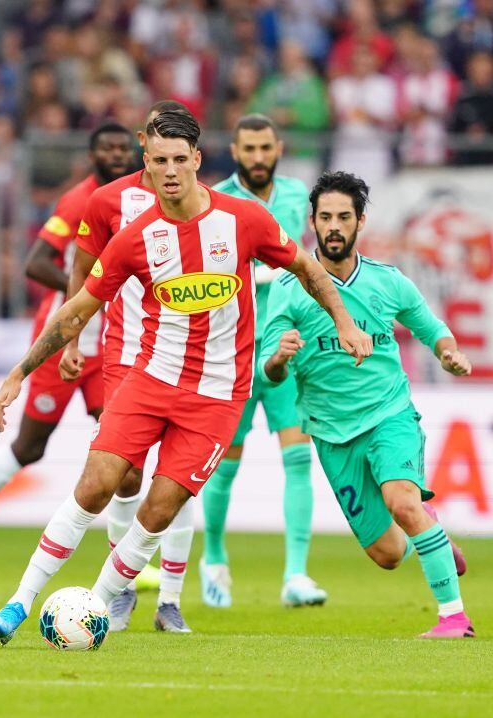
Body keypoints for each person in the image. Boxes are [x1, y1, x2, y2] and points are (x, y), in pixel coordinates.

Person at [0, 111, 371, 646]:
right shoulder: (135, 238)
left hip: (216, 397)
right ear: (147, 161)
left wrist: (344, 322)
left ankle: (94, 606)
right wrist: (21, 371)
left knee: (160, 508)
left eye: (179, 161)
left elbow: (307, 267)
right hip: (149, 380)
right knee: (96, 485)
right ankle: (18, 603)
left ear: (197, 161)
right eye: (159, 161)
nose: (169, 171)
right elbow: (77, 311)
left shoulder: (244, 220)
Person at [259, 171, 472, 639]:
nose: (334, 226)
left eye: (344, 217)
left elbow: (430, 327)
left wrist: (448, 352)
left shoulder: (387, 281)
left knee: (401, 500)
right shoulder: (288, 288)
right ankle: (429, 528)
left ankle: (454, 618)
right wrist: (278, 358)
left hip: (388, 414)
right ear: (311, 222)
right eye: (325, 217)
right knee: (389, 554)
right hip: (332, 434)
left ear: (360, 222)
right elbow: (266, 370)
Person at [0, 122, 137, 584]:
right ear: (92, 154)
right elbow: (36, 261)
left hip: (111, 341)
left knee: (123, 447)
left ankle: (126, 561)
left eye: (125, 148)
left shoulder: (138, 199)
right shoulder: (81, 200)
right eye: (108, 148)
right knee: (30, 445)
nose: (118, 155)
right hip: (62, 334)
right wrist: (88, 292)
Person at [61, 100, 194, 633]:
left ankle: (171, 599)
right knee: (124, 475)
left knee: (177, 478)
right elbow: (82, 267)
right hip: (125, 354)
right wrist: (74, 338)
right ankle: (119, 593)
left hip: (191, 356)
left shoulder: (205, 202)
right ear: (144, 142)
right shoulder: (108, 201)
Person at [199, 114, 325, 609]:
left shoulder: (299, 197)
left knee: (298, 456)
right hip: (233, 350)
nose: (256, 157)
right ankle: (213, 561)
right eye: (248, 148)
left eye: (264, 148)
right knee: (224, 463)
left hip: (288, 348)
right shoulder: (216, 201)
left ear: (279, 148)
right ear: (234, 149)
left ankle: (296, 575)